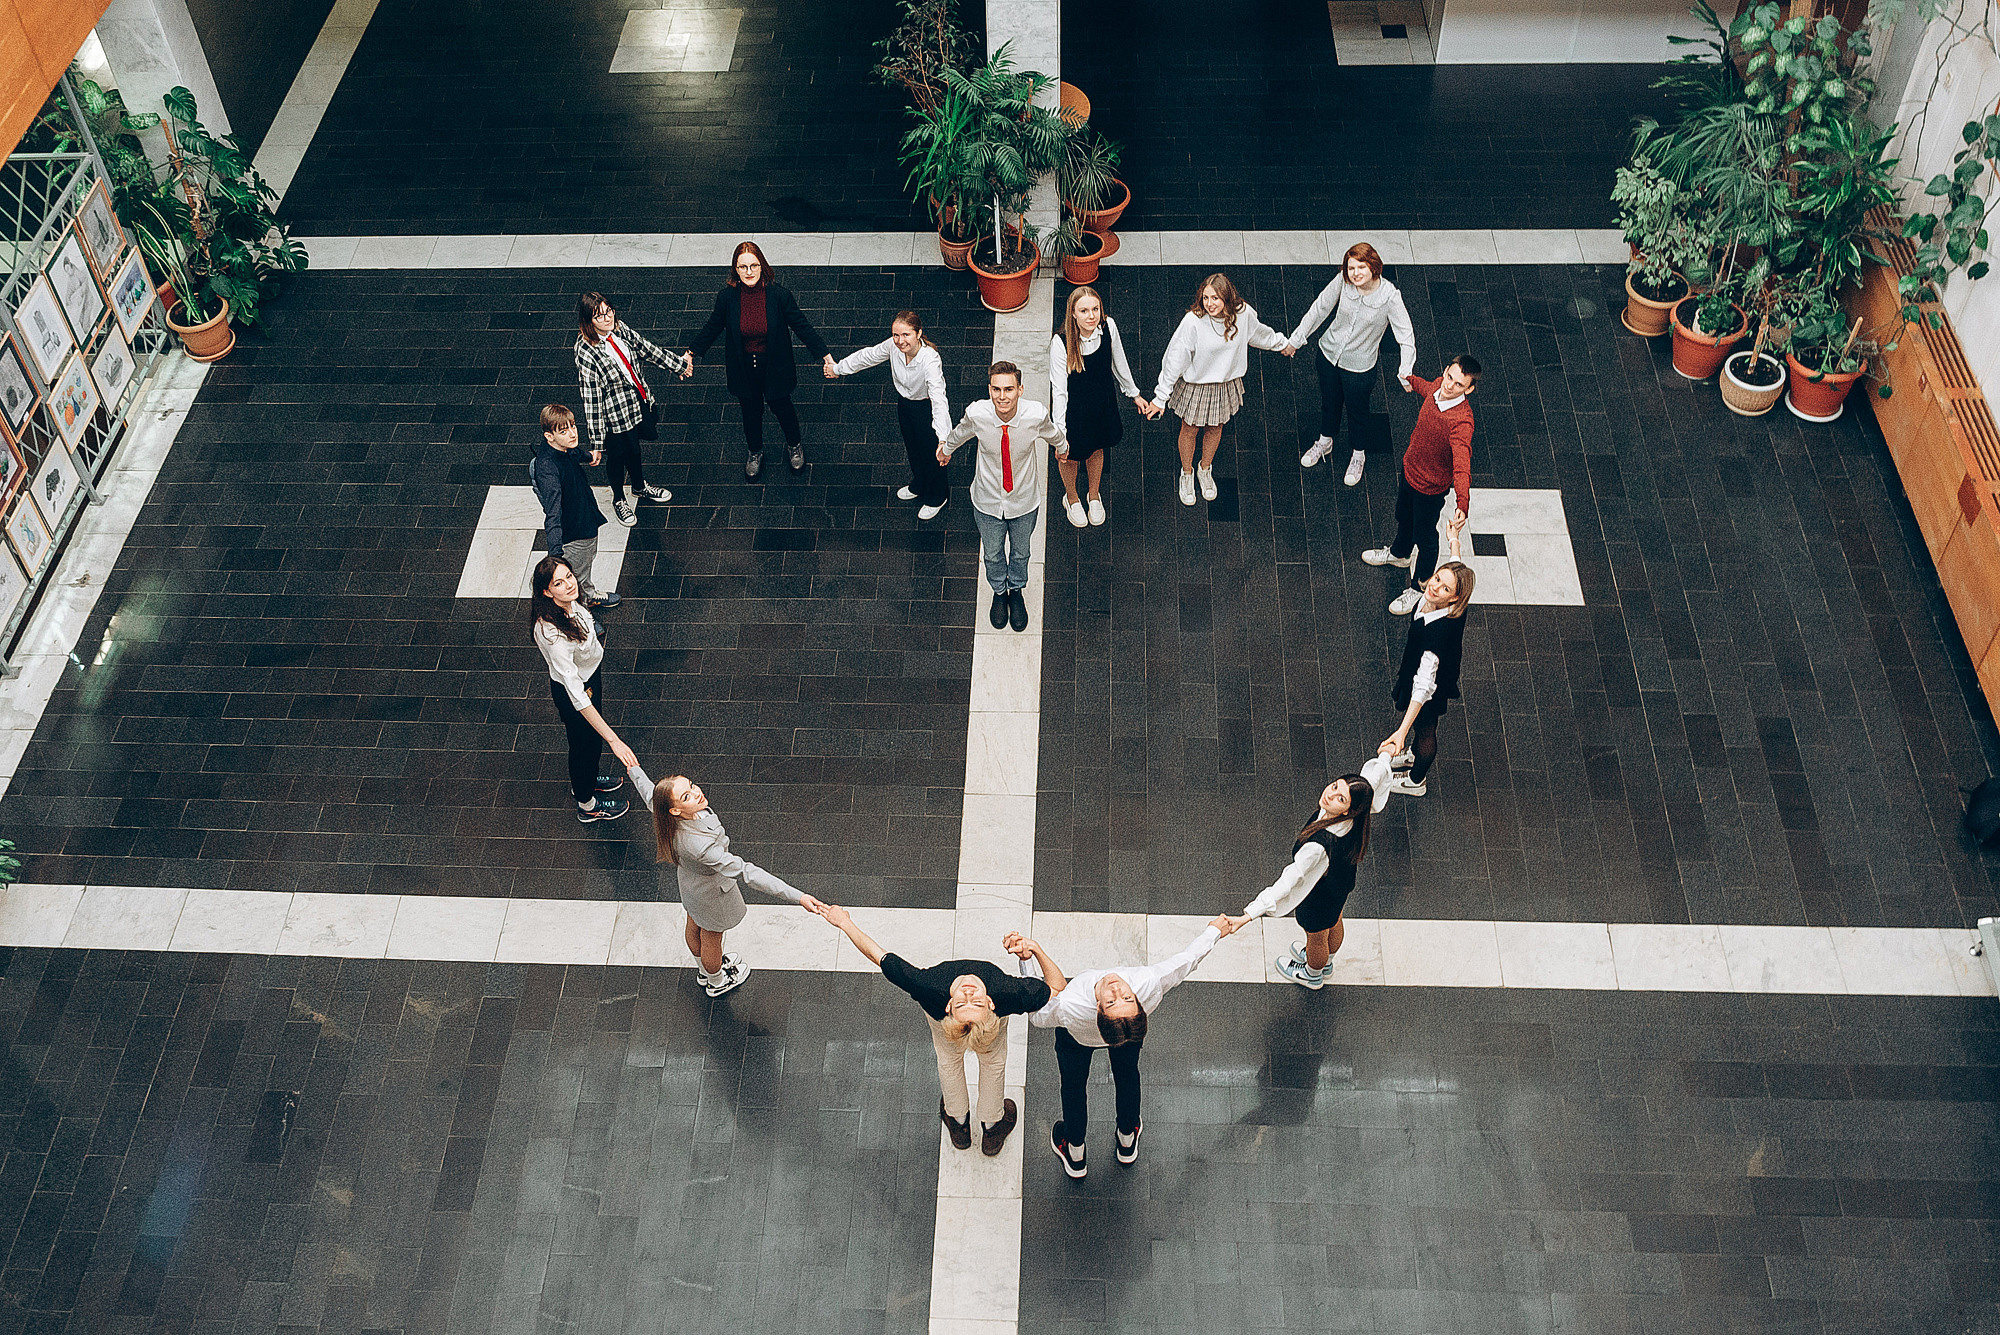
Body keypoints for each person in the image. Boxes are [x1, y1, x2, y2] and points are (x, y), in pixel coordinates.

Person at [1005, 914, 1243, 1178]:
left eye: (1117, 1000)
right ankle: (1127, 1139)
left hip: (1076, 1039)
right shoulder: (1149, 983)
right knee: (1127, 1076)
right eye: (1120, 999)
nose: (1116, 989)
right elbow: (1187, 960)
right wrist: (1214, 931)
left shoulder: (1071, 1005)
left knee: (1073, 1088)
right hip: (1129, 1037)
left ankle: (1075, 1151)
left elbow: (1038, 1014)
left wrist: (1027, 960)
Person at [812, 903, 1047, 1155]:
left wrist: (844, 923)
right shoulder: (1008, 993)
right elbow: (1048, 989)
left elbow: (878, 956)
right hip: (989, 1030)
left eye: (967, 1002)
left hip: (946, 1027)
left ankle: (958, 1123)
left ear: (949, 1007)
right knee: (993, 1063)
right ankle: (992, 1127)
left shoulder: (927, 986)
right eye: (971, 1002)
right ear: (990, 1004)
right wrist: (1028, 956)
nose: (968, 994)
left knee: (948, 1061)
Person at [629, 771, 824, 998]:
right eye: (686, 797)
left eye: (691, 785)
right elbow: (747, 872)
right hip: (712, 895)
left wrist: (633, 768)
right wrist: (798, 896)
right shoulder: (700, 846)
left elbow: (649, 793)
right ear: (675, 810)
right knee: (712, 937)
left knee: (694, 925)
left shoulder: (667, 815)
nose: (696, 793)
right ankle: (717, 980)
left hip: (692, 887)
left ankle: (704, 972)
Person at [938, 361, 1068, 633]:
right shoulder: (977, 414)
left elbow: (1053, 433)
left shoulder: (1035, 415)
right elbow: (960, 433)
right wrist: (946, 450)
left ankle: (1016, 590)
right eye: (996, 389)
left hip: (1024, 500)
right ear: (989, 390)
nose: (1002, 396)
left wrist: (1062, 447)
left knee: (1021, 552)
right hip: (987, 501)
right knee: (993, 553)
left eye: (1009, 389)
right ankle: (999, 591)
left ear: (1020, 390)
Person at [687, 241, 831, 479]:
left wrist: (824, 355)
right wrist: (691, 353)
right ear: (735, 270)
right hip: (744, 367)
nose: (749, 272)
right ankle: (755, 452)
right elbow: (712, 327)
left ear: (762, 266)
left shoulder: (779, 295)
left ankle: (794, 445)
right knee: (750, 413)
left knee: (782, 407)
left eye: (753, 265)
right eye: (743, 267)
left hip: (774, 365)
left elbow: (801, 326)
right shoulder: (727, 298)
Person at [1151, 273, 1292, 508]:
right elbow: (1175, 358)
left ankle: (1205, 469)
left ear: (1227, 297)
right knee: (1190, 429)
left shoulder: (1243, 314)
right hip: (1196, 385)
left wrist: (1282, 344)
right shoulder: (1193, 321)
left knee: (1215, 428)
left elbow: (1258, 333)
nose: (1209, 304)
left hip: (1224, 384)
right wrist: (1160, 396)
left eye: (1215, 298)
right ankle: (1187, 473)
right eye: (1205, 298)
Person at [1230, 773, 1383, 989]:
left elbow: (1289, 880)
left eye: (1341, 798)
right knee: (1334, 920)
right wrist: (1385, 758)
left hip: (1318, 897)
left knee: (1316, 937)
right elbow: (1374, 779)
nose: (1330, 795)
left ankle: (1313, 973)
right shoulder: (1355, 817)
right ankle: (1326, 962)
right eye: (1334, 787)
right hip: (1338, 886)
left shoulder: (1317, 847)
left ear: (1348, 810)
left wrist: (1249, 915)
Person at [1287, 242, 1417, 487]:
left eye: (1361, 267)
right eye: (1351, 268)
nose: (1355, 273)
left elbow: (1405, 335)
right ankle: (1325, 442)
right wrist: (1297, 339)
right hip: (1328, 356)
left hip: (1359, 368)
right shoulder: (1343, 281)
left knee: (1358, 412)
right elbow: (1320, 308)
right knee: (1330, 403)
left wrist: (1405, 370)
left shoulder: (1389, 296)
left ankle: (1358, 455)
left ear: (1373, 266)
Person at [1362, 355, 1479, 615]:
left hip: (1430, 489)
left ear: (1469, 389)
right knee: (1403, 517)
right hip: (1410, 470)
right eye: (1449, 377)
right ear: (1446, 371)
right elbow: (1428, 388)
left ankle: (1419, 587)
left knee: (1425, 537)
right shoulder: (1438, 386)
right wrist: (1411, 380)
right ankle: (1400, 554)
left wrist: (1462, 502)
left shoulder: (1462, 422)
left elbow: (1462, 463)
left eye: (1459, 385)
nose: (1449, 386)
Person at [529, 555, 636, 823]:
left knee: (589, 742)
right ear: (547, 591)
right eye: (558, 583)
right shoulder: (552, 634)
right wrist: (614, 740)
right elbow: (576, 693)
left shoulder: (568, 604)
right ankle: (587, 804)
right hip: (575, 689)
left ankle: (587, 780)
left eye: (569, 576)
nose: (569, 585)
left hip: (589, 676)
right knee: (583, 745)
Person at [1048, 286, 1160, 529]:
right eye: (1084, 310)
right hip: (1075, 411)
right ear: (1073, 313)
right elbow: (1059, 391)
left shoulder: (1108, 327)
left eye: (1095, 309)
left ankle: (1093, 495)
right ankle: (1071, 498)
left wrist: (1134, 394)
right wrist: (1059, 434)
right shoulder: (1061, 343)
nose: (1091, 315)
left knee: (1097, 449)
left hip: (1102, 404)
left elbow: (1119, 361)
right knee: (1069, 456)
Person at [826, 310, 953, 520]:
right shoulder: (893, 347)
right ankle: (920, 483)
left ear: (918, 333)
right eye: (896, 335)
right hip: (905, 404)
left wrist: (943, 439)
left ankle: (938, 496)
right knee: (913, 447)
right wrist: (839, 368)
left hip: (925, 408)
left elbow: (939, 399)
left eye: (906, 335)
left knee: (932, 453)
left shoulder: (930, 360)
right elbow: (868, 356)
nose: (900, 341)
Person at [1378, 535, 1476, 800]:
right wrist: (1454, 541)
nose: (1435, 587)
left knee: (1425, 728)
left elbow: (1423, 686)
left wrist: (1400, 732)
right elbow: (1455, 568)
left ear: (1454, 598)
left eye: (1445, 589)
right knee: (1424, 726)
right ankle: (1413, 755)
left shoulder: (1436, 639)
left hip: (1430, 682)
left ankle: (1415, 780)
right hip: (1434, 672)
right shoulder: (1453, 601)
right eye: (1437, 578)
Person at [574, 292, 678, 527]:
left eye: (608, 311)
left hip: (636, 403)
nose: (607, 318)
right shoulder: (586, 351)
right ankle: (619, 499)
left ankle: (639, 487)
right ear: (589, 321)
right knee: (618, 455)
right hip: (615, 415)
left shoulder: (619, 329)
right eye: (599, 316)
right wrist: (597, 442)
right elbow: (592, 398)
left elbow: (646, 349)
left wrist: (678, 366)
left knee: (634, 448)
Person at [530, 404, 618, 609]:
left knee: (583, 566)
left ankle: (589, 594)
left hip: (585, 516)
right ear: (549, 436)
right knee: (574, 576)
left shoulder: (561, 447)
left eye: (573, 426)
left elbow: (573, 453)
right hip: (575, 531)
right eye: (563, 431)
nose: (572, 434)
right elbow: (553, 513)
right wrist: (556, 556)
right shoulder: (548, 469)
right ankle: (580, 611)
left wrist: (589, 456)